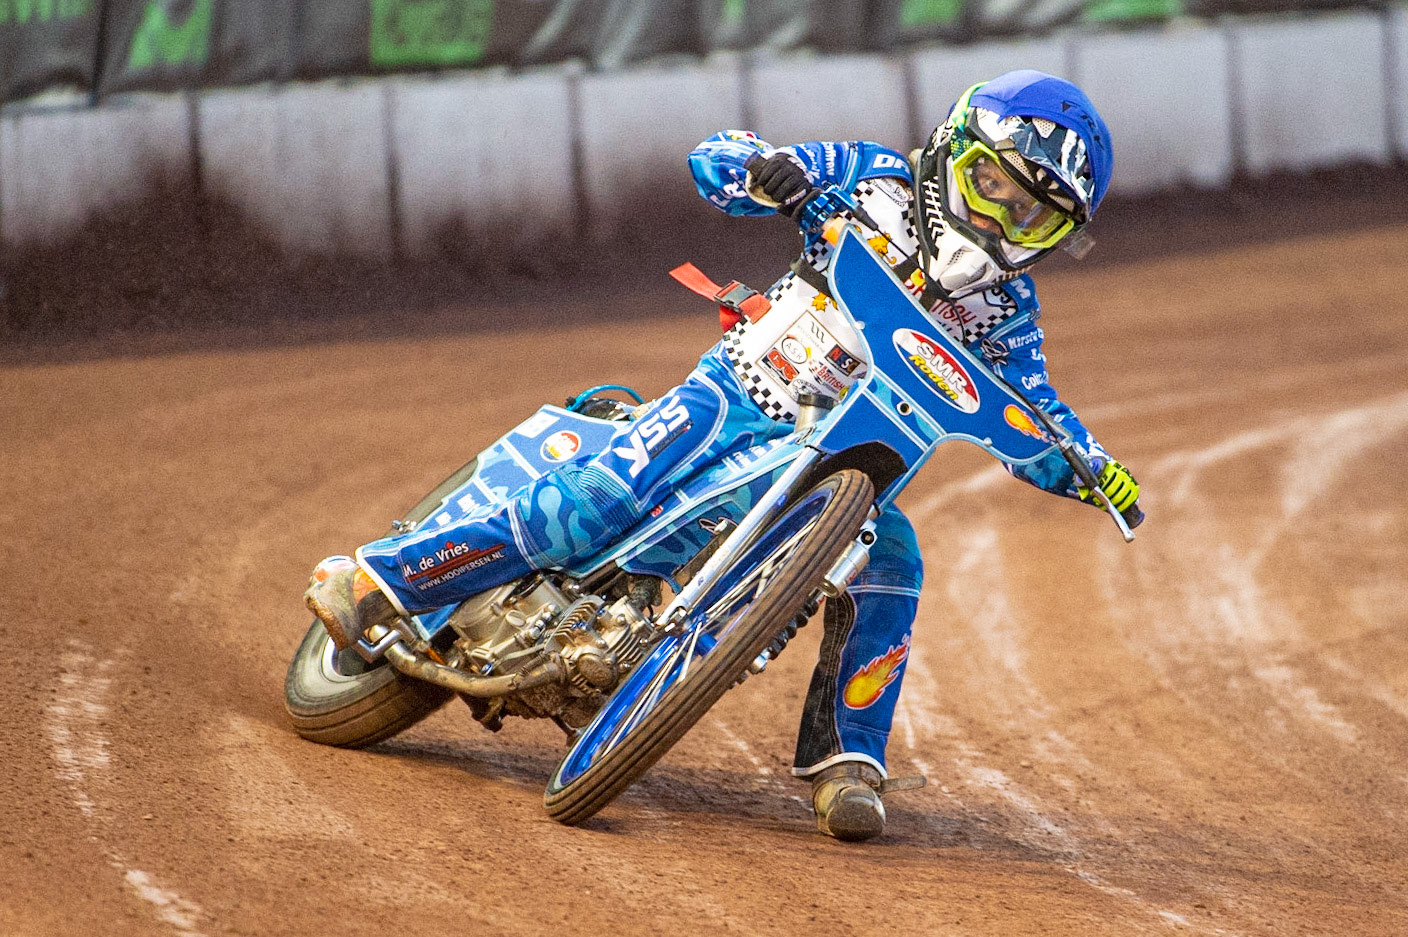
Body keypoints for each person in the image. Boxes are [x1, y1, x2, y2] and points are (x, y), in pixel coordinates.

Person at [305, 69, 1143, 842]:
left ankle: (848, 762)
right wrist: (766, 171)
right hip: (741, 397)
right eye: (993, 183)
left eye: (1033, 214)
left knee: (895, 567)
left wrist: (1091, 467)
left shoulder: (1009, 311)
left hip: (853, 469)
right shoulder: (873, 178)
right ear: (958, 149)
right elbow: (719, 160)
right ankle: (382, 579)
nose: (1002, 216)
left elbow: (1037, 414)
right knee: (602, 493)